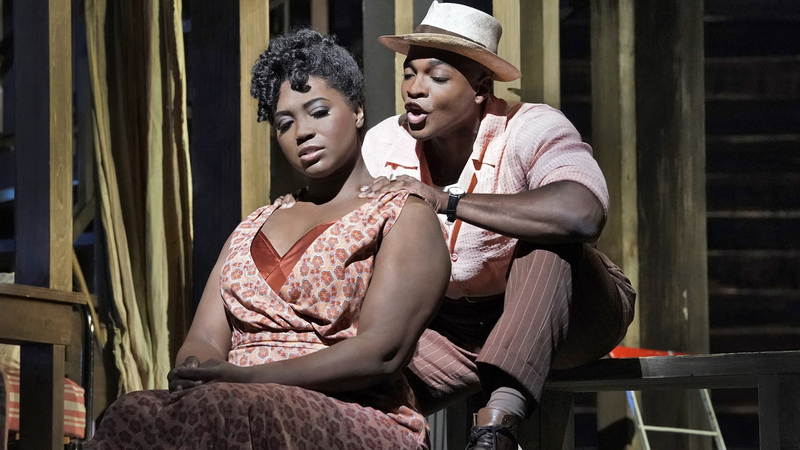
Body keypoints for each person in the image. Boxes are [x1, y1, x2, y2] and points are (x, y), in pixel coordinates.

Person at [89, 28, 450, 450]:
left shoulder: (401, 214)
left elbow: (380, 353)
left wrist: (245, 379)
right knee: (130, 413)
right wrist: (196, 371)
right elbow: (205, 338)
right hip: (231, 398)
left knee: (236, 409)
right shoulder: (254, 224)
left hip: (353, 408)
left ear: (356, 111)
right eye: (285, 122)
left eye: (318, 111)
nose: (302, 132)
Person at [357, 3, 637, 450]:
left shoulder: (530, 127)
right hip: (452, 330)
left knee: (546, 241)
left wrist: (447, 201)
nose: (415, 89)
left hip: (572, 312)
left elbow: (581, 213)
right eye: (409, 74)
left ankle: (495, 429)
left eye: (437, 77)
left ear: (481, 88)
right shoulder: (383, 142)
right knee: (360, 395)